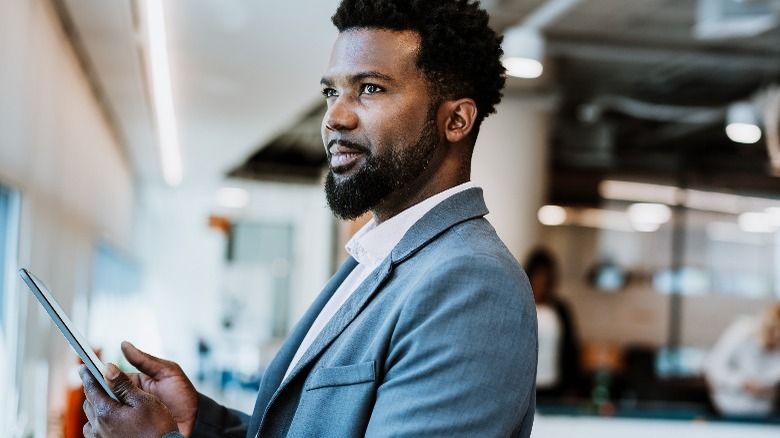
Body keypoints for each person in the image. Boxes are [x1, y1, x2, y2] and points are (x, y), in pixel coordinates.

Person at [79, 0, 538, 436]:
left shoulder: (471, 282)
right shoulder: (375, 256)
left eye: (370, 89)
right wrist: (200, 423)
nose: (334, 117)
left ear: (455, 120)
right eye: (331, 91)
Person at [524, 247, 581, 399]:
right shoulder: (520, 306)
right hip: (524, 387)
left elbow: (570, 349)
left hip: (554, 386)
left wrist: (571, 387)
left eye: (546, 276)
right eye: (538, 275)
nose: (541, 281)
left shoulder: (560, 309)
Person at [704, 303, 780, 417]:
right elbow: (713, 365)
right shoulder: (742, 330)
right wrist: (741, 382)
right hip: (729, 407)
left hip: (763, 411)